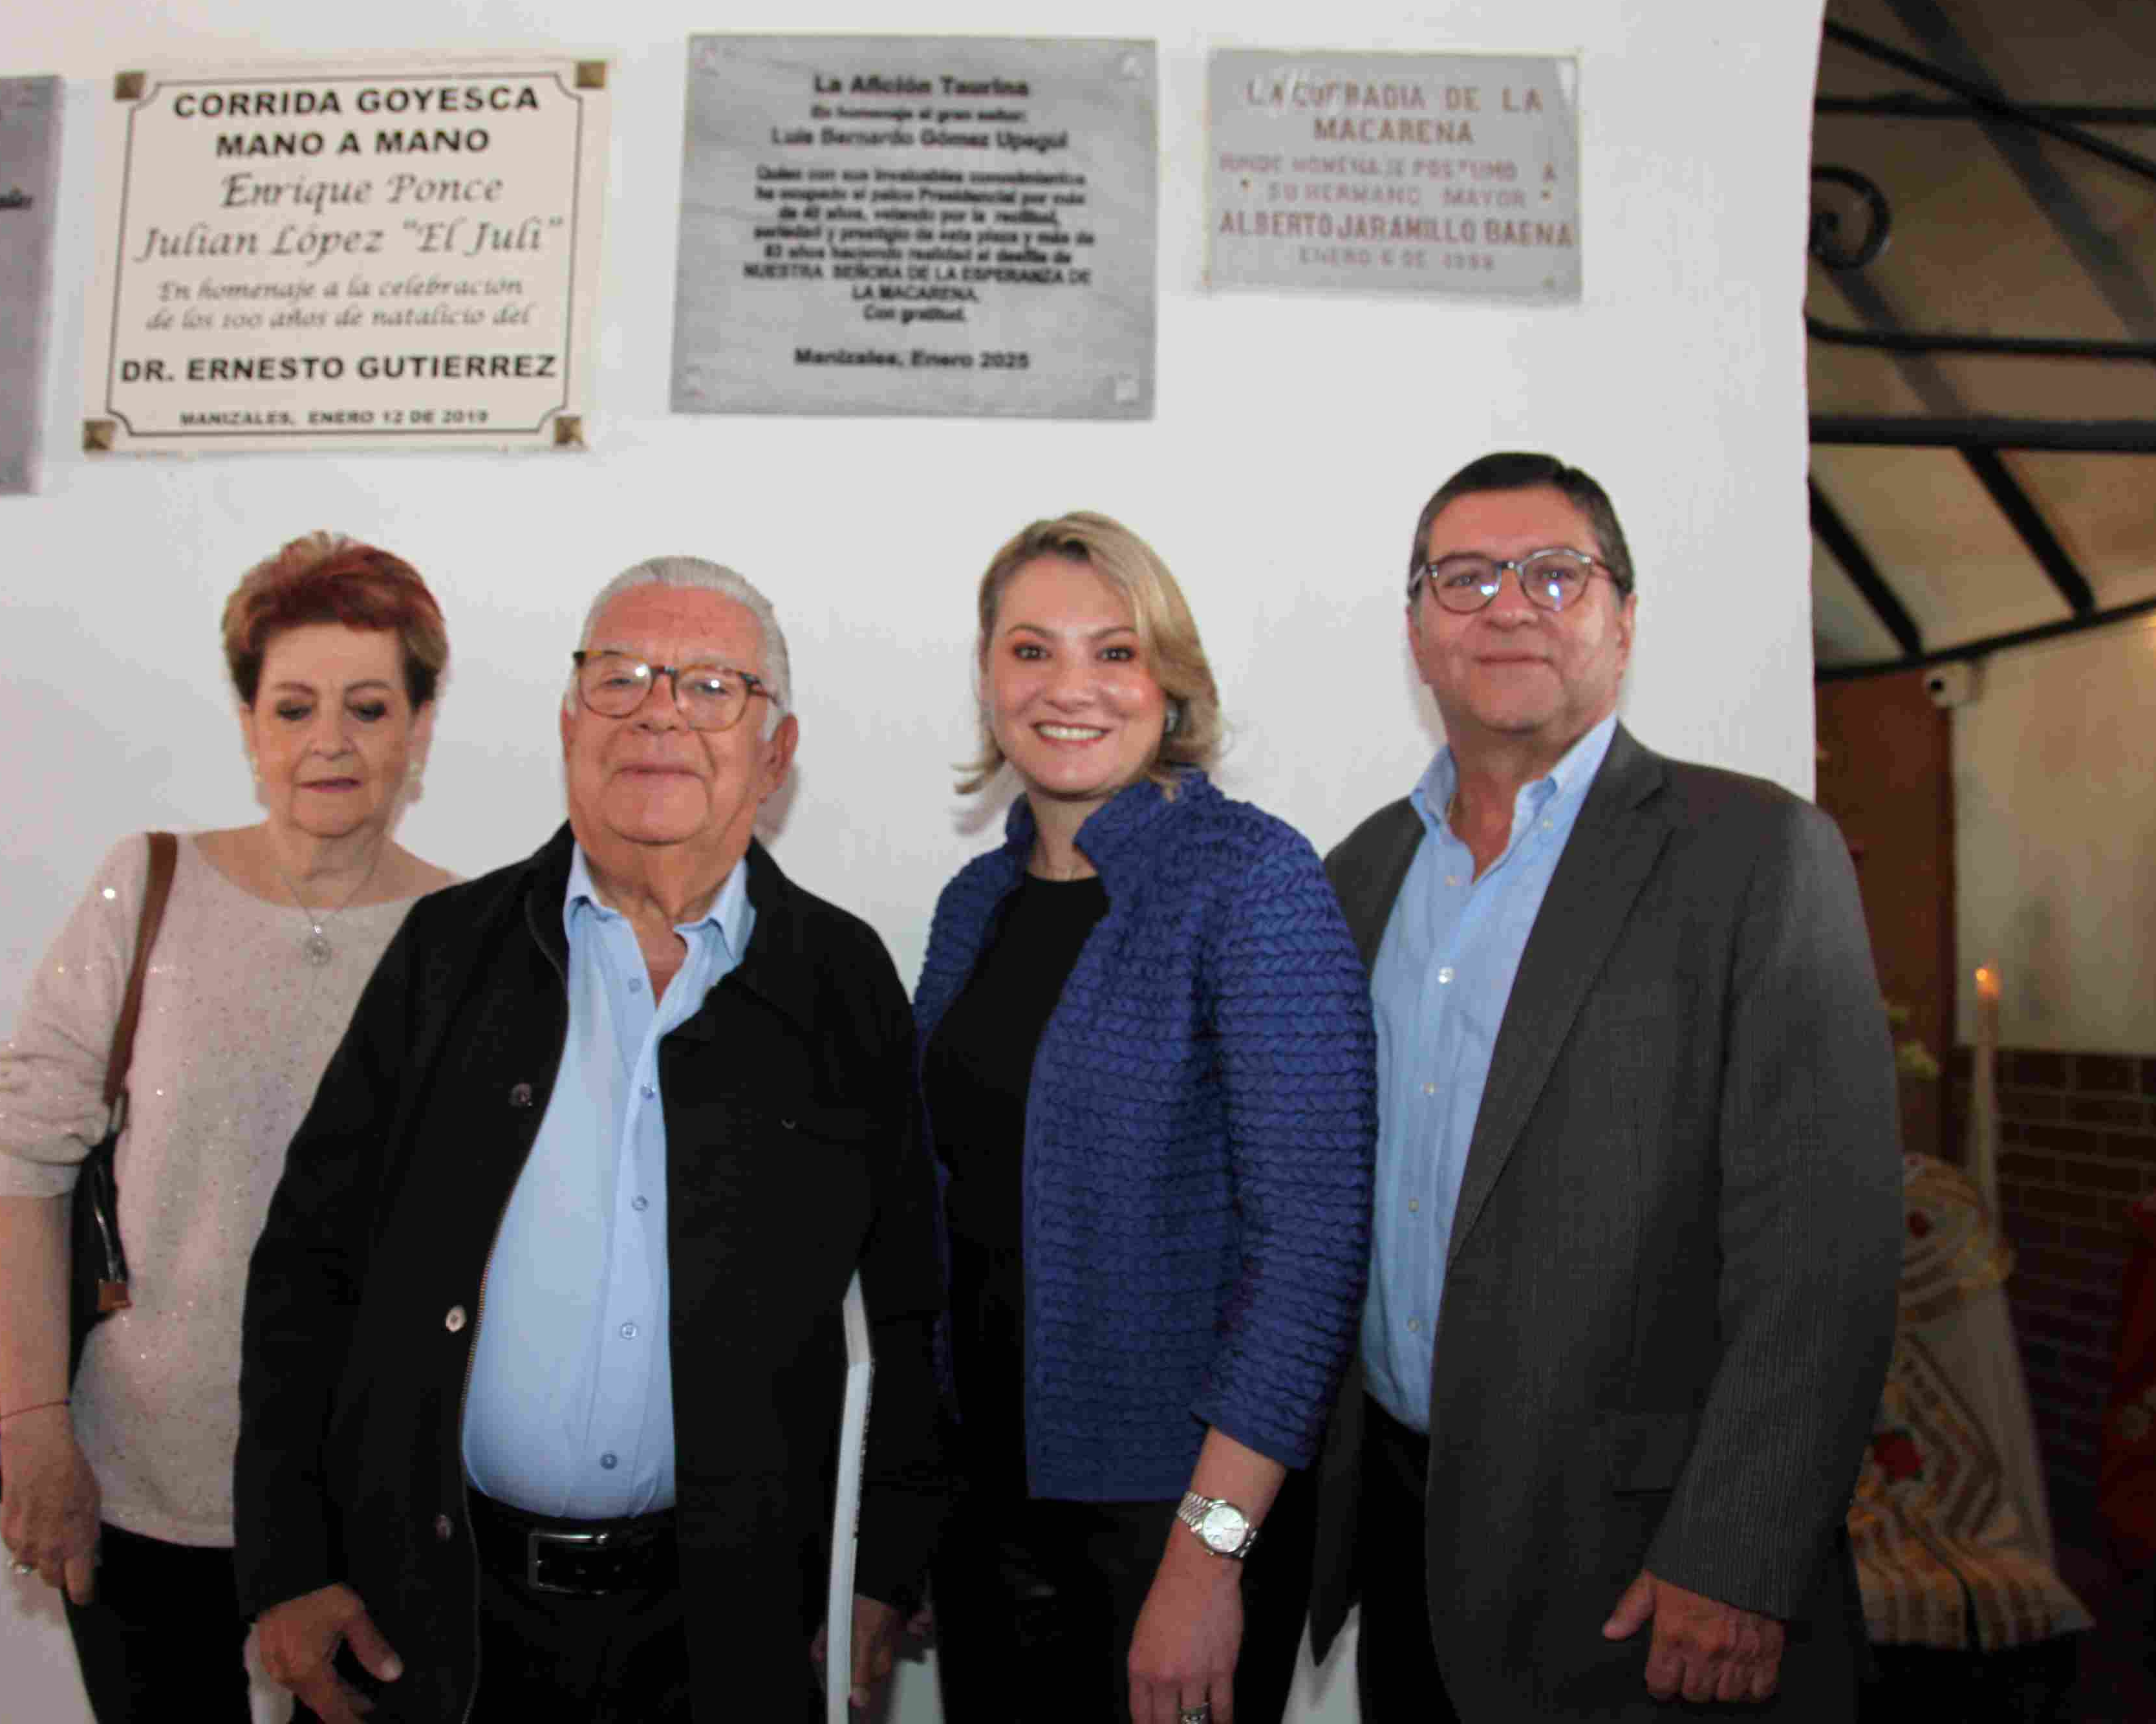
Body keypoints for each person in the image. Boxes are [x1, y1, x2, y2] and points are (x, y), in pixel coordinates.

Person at [235, 555, 948, 1724]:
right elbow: (309, 1268)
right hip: (440, 1620)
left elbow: (908, 1303)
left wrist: (880, 1571)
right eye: (619, 678)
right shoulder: (447, 954)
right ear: (570, 724)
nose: (660, 709)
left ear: (777, 754)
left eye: (713, 685)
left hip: (724, 1635)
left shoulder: (841, 982)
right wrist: (288, 1562)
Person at [1306, 451, 1903, 1719]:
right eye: (1464, 579)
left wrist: (1734, 1553)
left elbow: (1826, 1250)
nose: (1509, 605)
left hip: (1645, 1572)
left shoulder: (1752, 856)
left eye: (1556, 573)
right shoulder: (1358, 877)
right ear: (1417, 632)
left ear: (1622, 621)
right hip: (1408, 1539)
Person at [0, 532, 455, 1720]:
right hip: (142, 1477)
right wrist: (35, 1431)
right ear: (249, 724)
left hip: (368, 1504)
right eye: (293, 707)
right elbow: (25, 1164)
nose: (329, 742)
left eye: (368, 706)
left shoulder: (469, 937)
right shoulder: (146, 889)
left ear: (419, 727)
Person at [914, 512, 1375, 1724]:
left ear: (1171, 684)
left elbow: (1311, 1252)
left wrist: (1207, 1554)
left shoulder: (1251, 879)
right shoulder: (974, 904)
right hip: (987, 1510)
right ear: (987, 678)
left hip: (1166, 1527)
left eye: (1115, 652)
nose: (1072, 688)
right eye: (1031, 651)